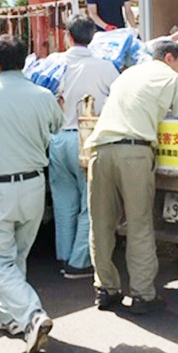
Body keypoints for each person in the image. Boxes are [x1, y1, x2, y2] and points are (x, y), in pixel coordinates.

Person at [0, 35, 65, 353]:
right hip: (33, 185)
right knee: (16, 256)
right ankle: (9, 317)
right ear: (24, 62)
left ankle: (32, 315)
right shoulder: (42, 94)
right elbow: (57, 127)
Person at [84, 39, 178, 314]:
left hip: (99, 151)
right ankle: (142, 295)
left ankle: (106, 289)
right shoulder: (172, 79)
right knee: (138, 225)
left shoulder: (128, 73)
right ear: (170, 58)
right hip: (134, 154)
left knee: (101, 224)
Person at [48, 15, 120, 279]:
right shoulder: (105, 67)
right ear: (93, 37)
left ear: (67, 35)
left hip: (57, 139)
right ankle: (79, 262)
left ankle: (65, 256)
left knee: (63, 202)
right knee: (90, 204)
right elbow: (119, 99)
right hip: (87, 138)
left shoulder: (54, 63)